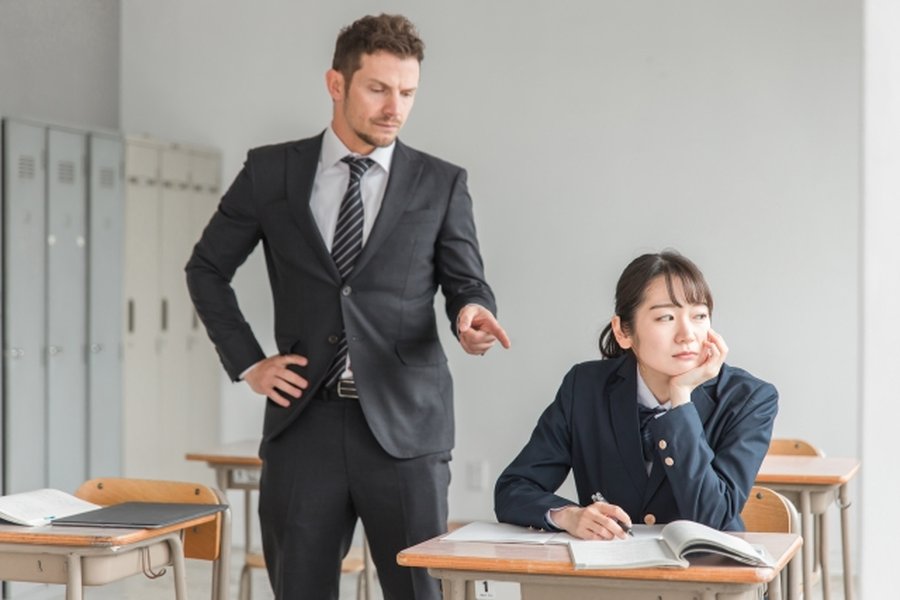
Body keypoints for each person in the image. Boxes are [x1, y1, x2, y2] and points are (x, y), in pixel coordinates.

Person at [186, 14, 510, 600]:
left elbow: (467, 284)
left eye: (407, 92)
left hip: (407, 432)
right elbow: (206, 269)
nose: (395, 107)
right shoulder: (271, 172)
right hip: (303, 425)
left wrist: (470, 316)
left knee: (419, 593)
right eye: (378, 89)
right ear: (336, 84)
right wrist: (249, 362)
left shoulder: (440, 184)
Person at [494, 251, 777, 540]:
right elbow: (513, 488)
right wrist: (567, 515)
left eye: (699, 316)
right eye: (666, 317)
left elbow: (712, 518)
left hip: (708, 576)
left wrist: (681, 400)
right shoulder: (584, 387)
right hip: (612, 575)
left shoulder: (750, 399)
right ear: (623, 331)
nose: (687, 334)